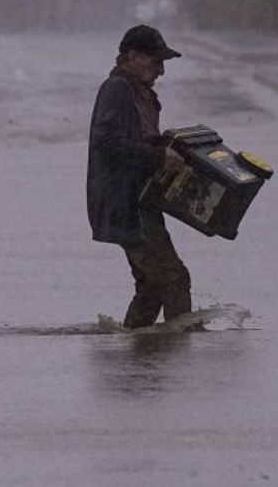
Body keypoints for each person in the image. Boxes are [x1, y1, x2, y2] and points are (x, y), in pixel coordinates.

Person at [87, 25, 190, 329]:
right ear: (131, 57)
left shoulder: (137, 92)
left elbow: (137, 140)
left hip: (140, 201)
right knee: (173, 278)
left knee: (151, 287)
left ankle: (136, 350)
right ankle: (180, 358)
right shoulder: (117, 89)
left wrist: (167, 148)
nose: (160, 71)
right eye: (155, 61)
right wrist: (158, 156)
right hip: (127, 205)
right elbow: (107, 143)